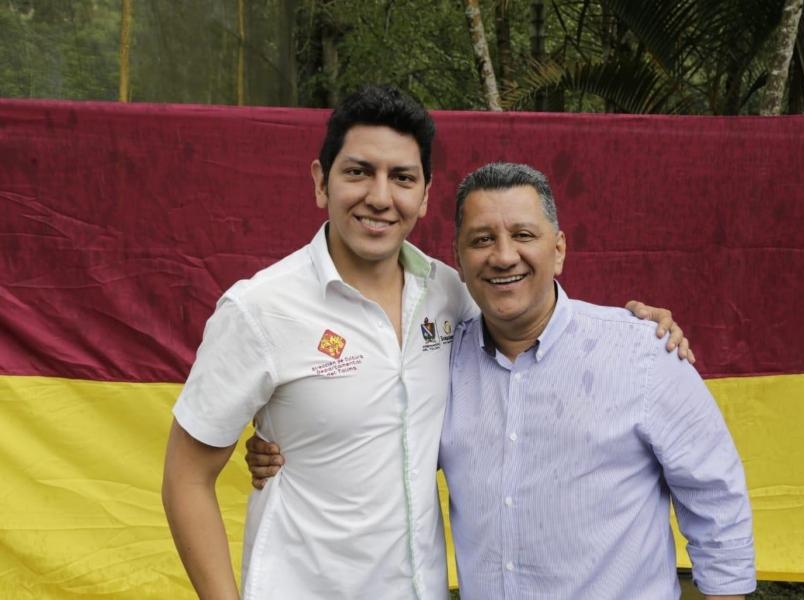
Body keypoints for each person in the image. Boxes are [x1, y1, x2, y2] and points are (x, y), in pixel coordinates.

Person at [163, 86, 688, 600]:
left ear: (425, 195)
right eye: (358, 172)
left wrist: (635, 329)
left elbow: (539, 334)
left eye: (402, 178)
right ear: (321, 182)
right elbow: (185, 480)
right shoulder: (259, 310)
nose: (380, 197)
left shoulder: (454, 295)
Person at [441, 163, 755, 599]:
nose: (504, 255)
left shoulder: (644, 352)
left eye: (523, 235)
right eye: (481, 240)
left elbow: (716, 497)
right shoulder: (439, 362)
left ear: (559, 250)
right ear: (458, 260)